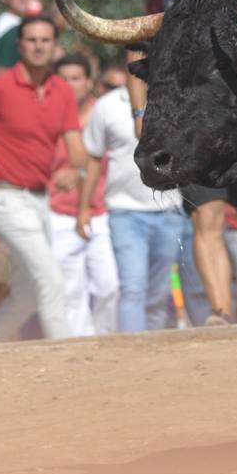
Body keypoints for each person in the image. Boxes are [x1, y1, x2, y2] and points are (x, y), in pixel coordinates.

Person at [138, 0, 237, 322]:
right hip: (198, 129)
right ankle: (222, 316)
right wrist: (139, 115)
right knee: (208, 219)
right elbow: (138, 53)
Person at [0, 17, 86, 345]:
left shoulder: (61, 90)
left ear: (54, 46)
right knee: (51, 280)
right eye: (31, 40)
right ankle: (67, 357)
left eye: (45, 40)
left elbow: (76, 148)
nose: (38, 46)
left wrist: (75, 171)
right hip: (2, 194)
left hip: (37, 199)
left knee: (27, 296)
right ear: (19, 46)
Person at [80, 51, 180, 332]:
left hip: (169, 209)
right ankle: (133, 352)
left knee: (159, 294)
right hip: (125, 211)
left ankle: (155, 357)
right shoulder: (107, 106)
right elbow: (94, 158)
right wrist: (83, 208)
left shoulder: (175, 101)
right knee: (132, 288)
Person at [49, 55, 117, 336]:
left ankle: (106, 341)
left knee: (109, 287)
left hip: (101, 212)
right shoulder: (46, 116)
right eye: (62, 79)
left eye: (75, 78)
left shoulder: (104, 114)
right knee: (70, 290)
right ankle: (80, 348)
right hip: (58, 213)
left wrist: (76, 173)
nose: (69, 85)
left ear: (88, 82)